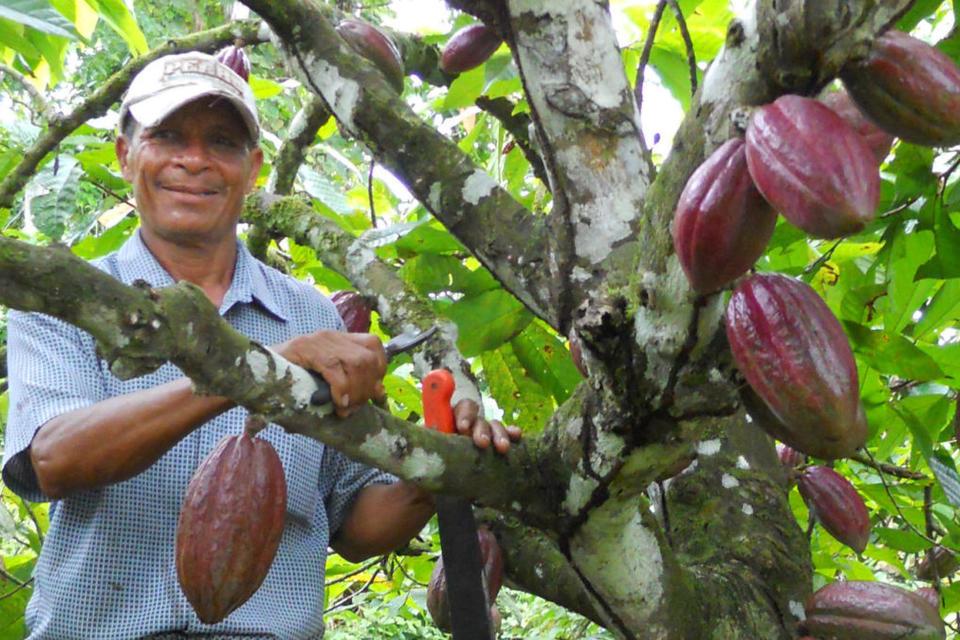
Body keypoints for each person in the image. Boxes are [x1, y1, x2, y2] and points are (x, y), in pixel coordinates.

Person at [1, 51, 520, 639]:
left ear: (251, 168)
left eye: (221, 143)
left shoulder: (310, 314)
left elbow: (352, 521)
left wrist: (441, 466)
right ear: (126, 155)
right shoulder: (67, 300)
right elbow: (55, 460)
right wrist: (256, 374)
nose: (194, 160)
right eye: (167, 135)